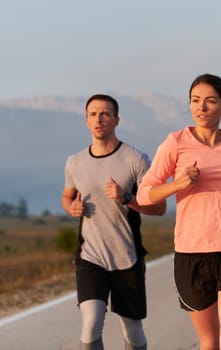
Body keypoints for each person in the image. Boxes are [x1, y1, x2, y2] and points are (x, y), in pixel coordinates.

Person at [136, 73, 221, 350]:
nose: (201, 108)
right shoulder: (176, 142)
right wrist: (179, 184)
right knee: (209, 343)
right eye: (195, 101)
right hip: (192, 254)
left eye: (210, 101)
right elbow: (144, 194)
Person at [61, 94, 166, 350]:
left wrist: (126, 197)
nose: (99, 119)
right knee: (91, 324)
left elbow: (160, 207)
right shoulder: (75, 162)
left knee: (132, 330)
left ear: (116, 120)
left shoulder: (136, 159)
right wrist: (71, 207)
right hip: (91, 257)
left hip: (127, 257)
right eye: (93, 114)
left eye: (105, 114)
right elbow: (67, 196)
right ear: (86, 121)